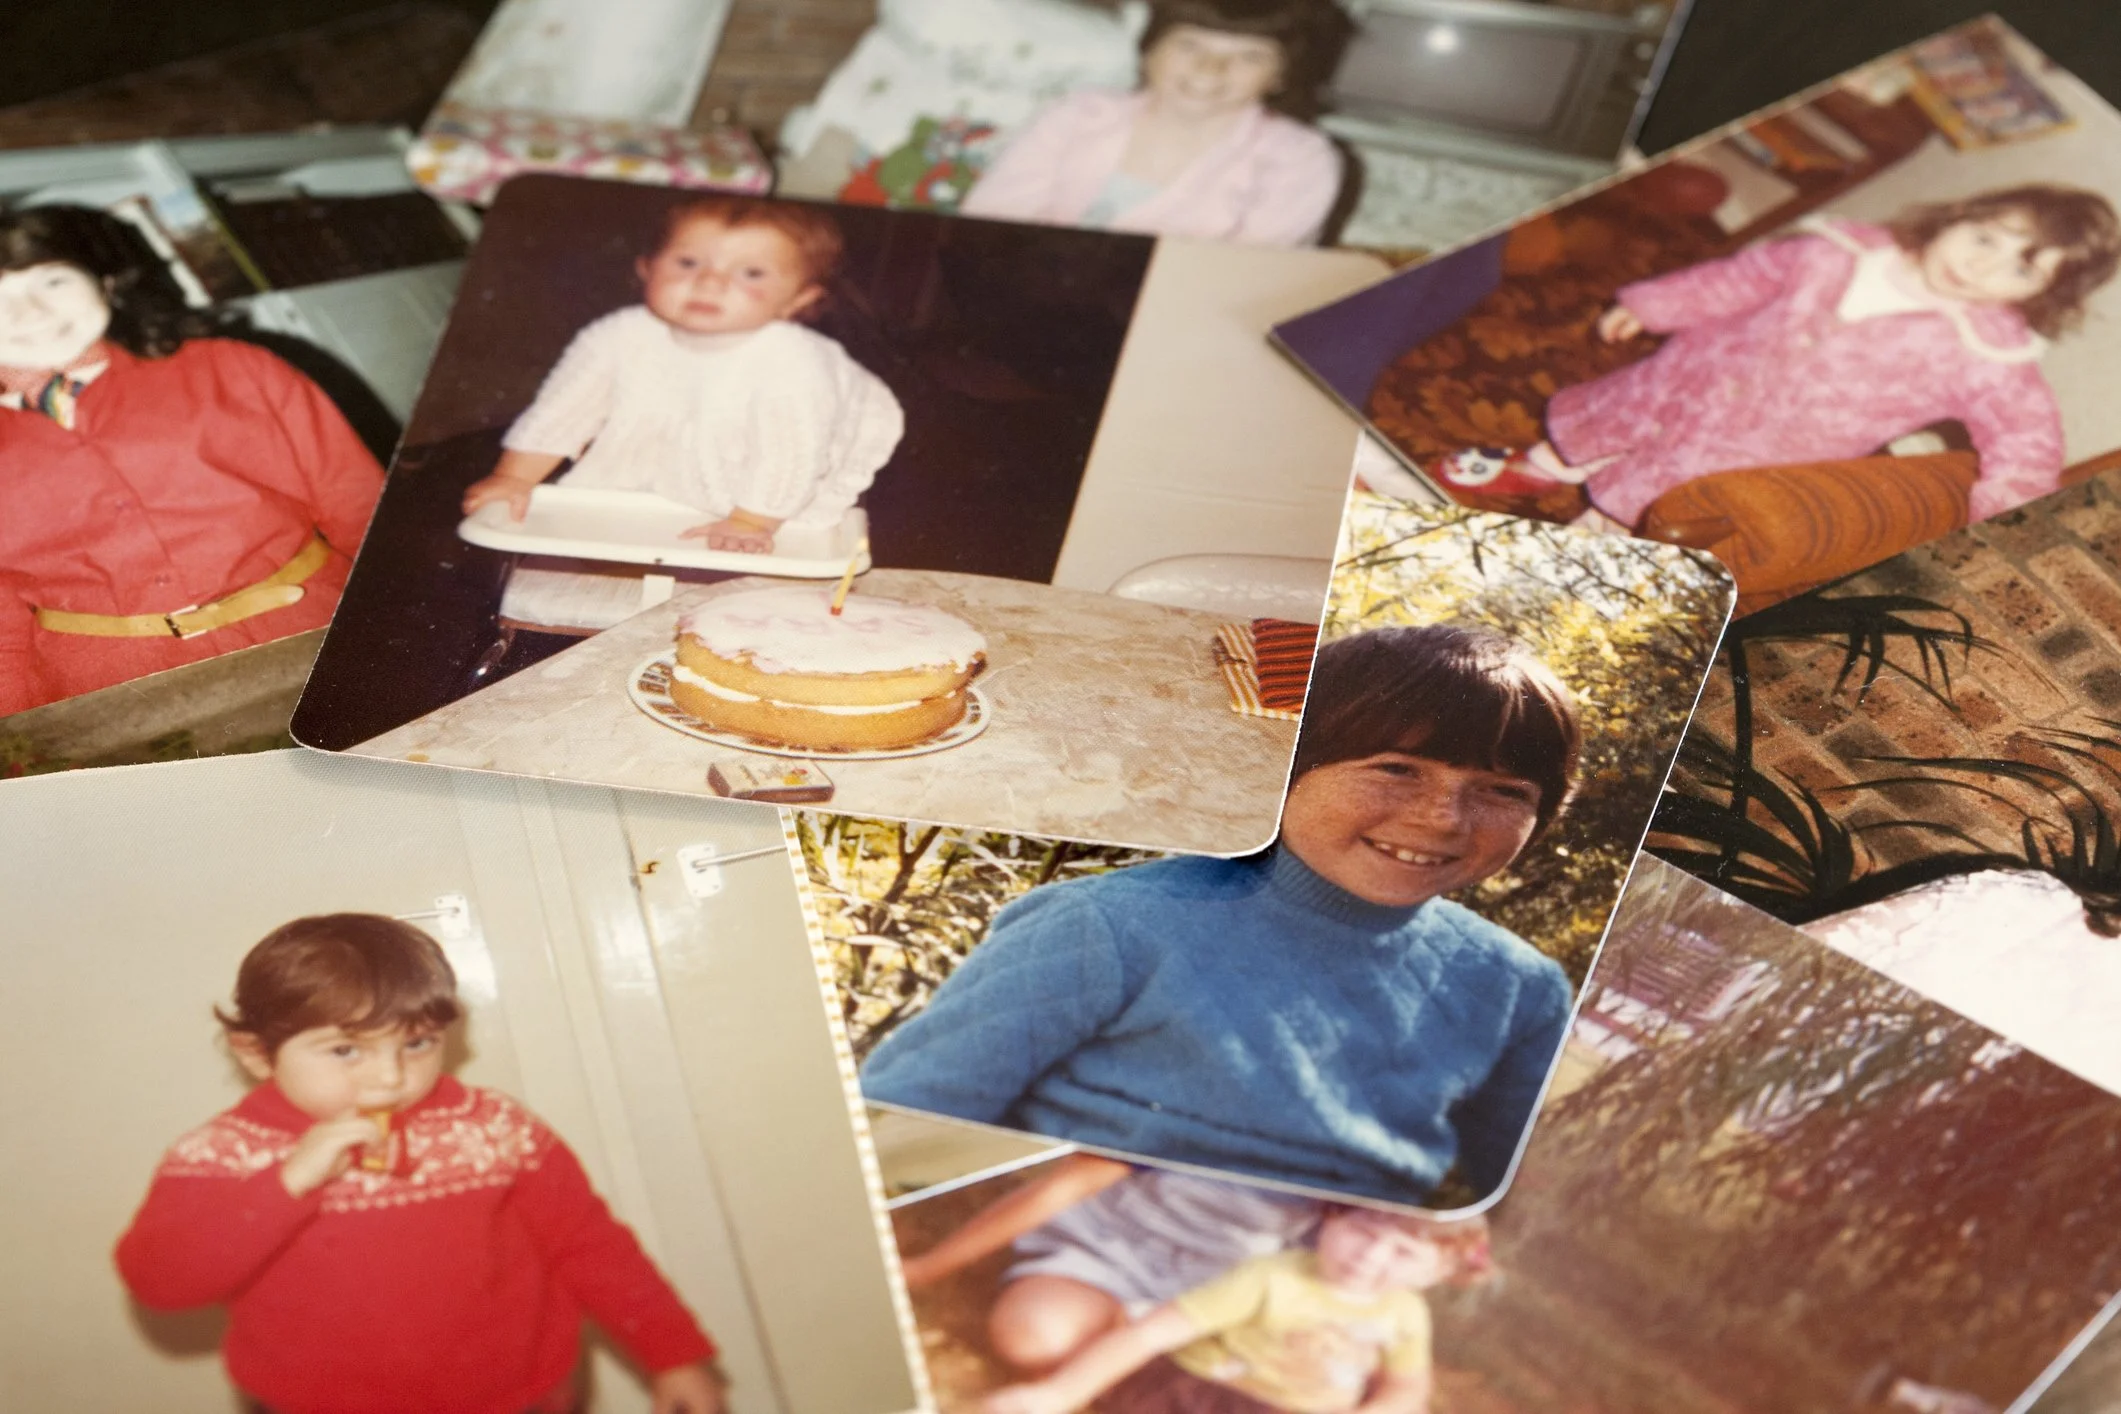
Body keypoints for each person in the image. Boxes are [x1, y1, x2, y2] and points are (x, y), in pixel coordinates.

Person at [861, 624, 1581, 1206]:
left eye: (1501, 790)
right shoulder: (1109, 925)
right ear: (1288, 768)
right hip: (1075, 1246)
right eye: (1396, 768)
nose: (1443, 817)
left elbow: (1511, 1200)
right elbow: (907, 1124)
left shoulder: (1520, 988)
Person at [114, 914, 724, 1414]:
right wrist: (288, 1181)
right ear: (256, 1053)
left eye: (416, 1043)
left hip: (526, 1395)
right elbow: (162, 1284)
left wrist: (672, 1353)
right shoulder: (221, 1154)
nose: (390, 1076)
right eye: (346, 1050)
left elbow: (590, 1245)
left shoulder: (494, 1127)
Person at [1429, 184, 2121, 531]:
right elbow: (1740, 279)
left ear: (2041, 295)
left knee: (1654, 491)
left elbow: (2026, 434)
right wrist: (1656, 305)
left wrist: (2008, 502)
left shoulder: (1988, 357)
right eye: (1985, 237)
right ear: (1958, 218)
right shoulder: (1838, 252)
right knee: (1612, 422)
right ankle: (1540, 467)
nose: (1982, 267)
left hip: (1760, 444)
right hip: (1690, 375)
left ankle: (1586, 537)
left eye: (2021, 269)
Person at [0, 205, 386, 716]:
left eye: (50, 282)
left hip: (315, 635)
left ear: (106, 280)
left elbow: (366, 517)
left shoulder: (237, 368)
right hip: (115, 699)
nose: (30, 314)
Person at [461, 195, 903, 553]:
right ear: (647, 268)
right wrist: (514, 477)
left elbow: (791, 450)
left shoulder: (792, 359)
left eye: (750, 273)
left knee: (770, 534)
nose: (710, 283)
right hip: (676, 433)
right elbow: (563, 409)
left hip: (792, 454)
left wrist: (753, 519)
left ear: (797, 300)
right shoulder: (619, 333)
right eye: (688, 263)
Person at [979, 1205, 1491, 1414]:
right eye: (1362, 1230)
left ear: (1437, 1274)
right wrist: (1053, 1393)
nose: (1370, 1256)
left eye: (1403, 1252)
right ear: (1330, 1220)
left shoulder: (1404, 1312)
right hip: (1201, 1394)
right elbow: (1152, 1334)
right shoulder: (1273, 1276)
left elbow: (1407, 1385)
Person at [958, 0, 1348, 247]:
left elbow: (1246, 281)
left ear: (1281, 75)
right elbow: (987, 228)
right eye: (1189, 45)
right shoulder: (1076, 116)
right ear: (1149, 51)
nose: (1209, 69)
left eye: (1249, 57)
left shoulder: (1299, 160)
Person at [900, 1155, 1323, 1374]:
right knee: (1033, 1336)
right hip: (1111, 1249)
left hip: (1222, 1290)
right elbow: (1066, 1186)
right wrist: (925, 1269)